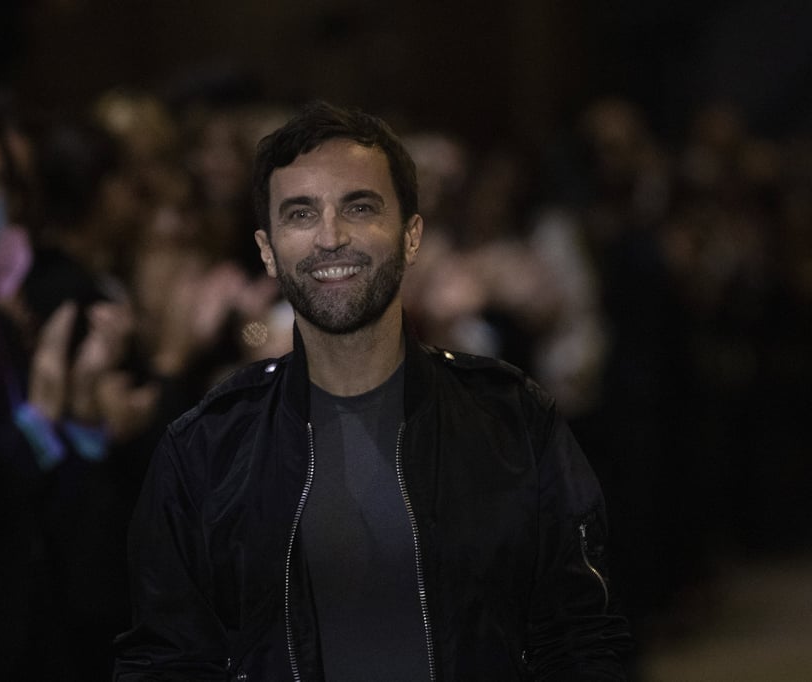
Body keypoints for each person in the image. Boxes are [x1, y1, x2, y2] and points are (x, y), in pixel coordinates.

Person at [112, 100, 632, 680]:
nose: (331, 237)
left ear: (411, 236)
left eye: (359, 207)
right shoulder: (205, 450)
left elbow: (581, 639)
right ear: (267, 250)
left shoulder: (514, 421)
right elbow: (167, 660)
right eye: (301, 214)